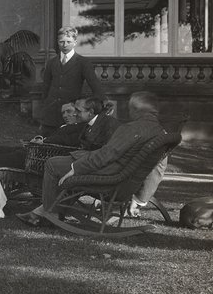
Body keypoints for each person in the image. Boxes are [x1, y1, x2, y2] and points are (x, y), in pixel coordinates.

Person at [18, 90, 165, 227]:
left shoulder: (131, 129)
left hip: (107, 177)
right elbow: (159, 167)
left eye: (129, 108)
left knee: (52, 164)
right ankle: (48, 210)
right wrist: (140, 199)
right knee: (63, 165)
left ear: (136, 110)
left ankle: (51, 213)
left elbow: (106, 154)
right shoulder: (160, 133)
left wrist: (77, 168)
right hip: (120, 178)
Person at [36, 27, 105, 136]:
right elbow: (46, 88)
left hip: (72, 112)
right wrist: (45, 108)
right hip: (51, 112)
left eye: (68, 42)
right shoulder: (51, 63)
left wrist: (99, 108)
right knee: (47, 142)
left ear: (75, 42)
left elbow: (95, 87)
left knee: (68, 142)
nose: (65, 45)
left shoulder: (83, 63)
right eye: (61, 42)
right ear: (57, 42)